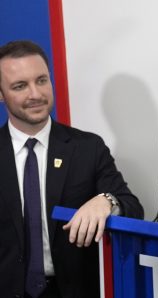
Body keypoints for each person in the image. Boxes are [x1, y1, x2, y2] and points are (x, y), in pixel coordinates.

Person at [0, 40, 143, 297]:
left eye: (42, 80)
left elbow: (133, 208)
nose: (35, 94)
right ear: (1, 93)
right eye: (20, 86)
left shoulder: (87, 148)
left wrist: (107, 200)